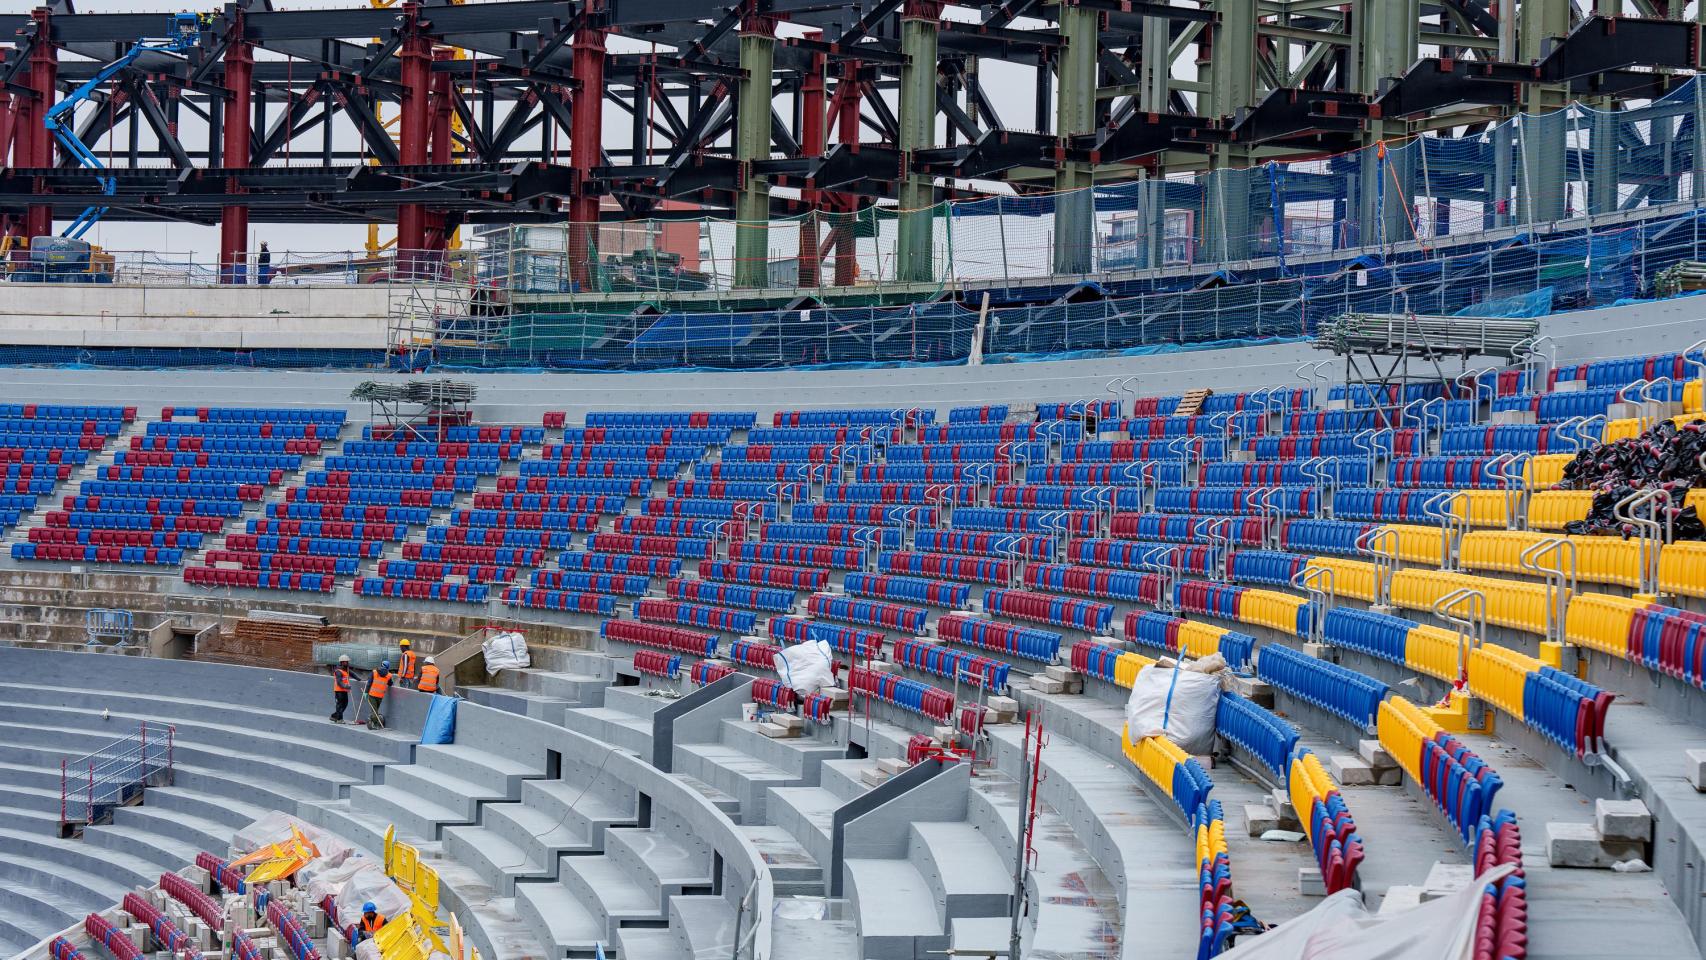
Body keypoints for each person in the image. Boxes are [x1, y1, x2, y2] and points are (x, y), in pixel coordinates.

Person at [365, 660, 392, 730]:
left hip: (372, 695)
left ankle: (373, 722)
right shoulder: (389, 675)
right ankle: (375, 721)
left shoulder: (374, 672)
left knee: (374, 710)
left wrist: (366, 692)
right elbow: (390, 683)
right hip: (380, 696)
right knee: (375, 710)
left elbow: (369, 683)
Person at [329, 654, 353, 723]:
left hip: (344, 690)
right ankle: (339, 719)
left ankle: (334, 716)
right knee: (339, 705)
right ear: (342, 662)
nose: (348, 663)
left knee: (345, 704)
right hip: (339, 690)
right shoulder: (338, 671)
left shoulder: (346, 670)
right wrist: (346, 686)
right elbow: (339, 682)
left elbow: (352, 674)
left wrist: (360, 679)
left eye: (348, 661)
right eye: (346, 661)